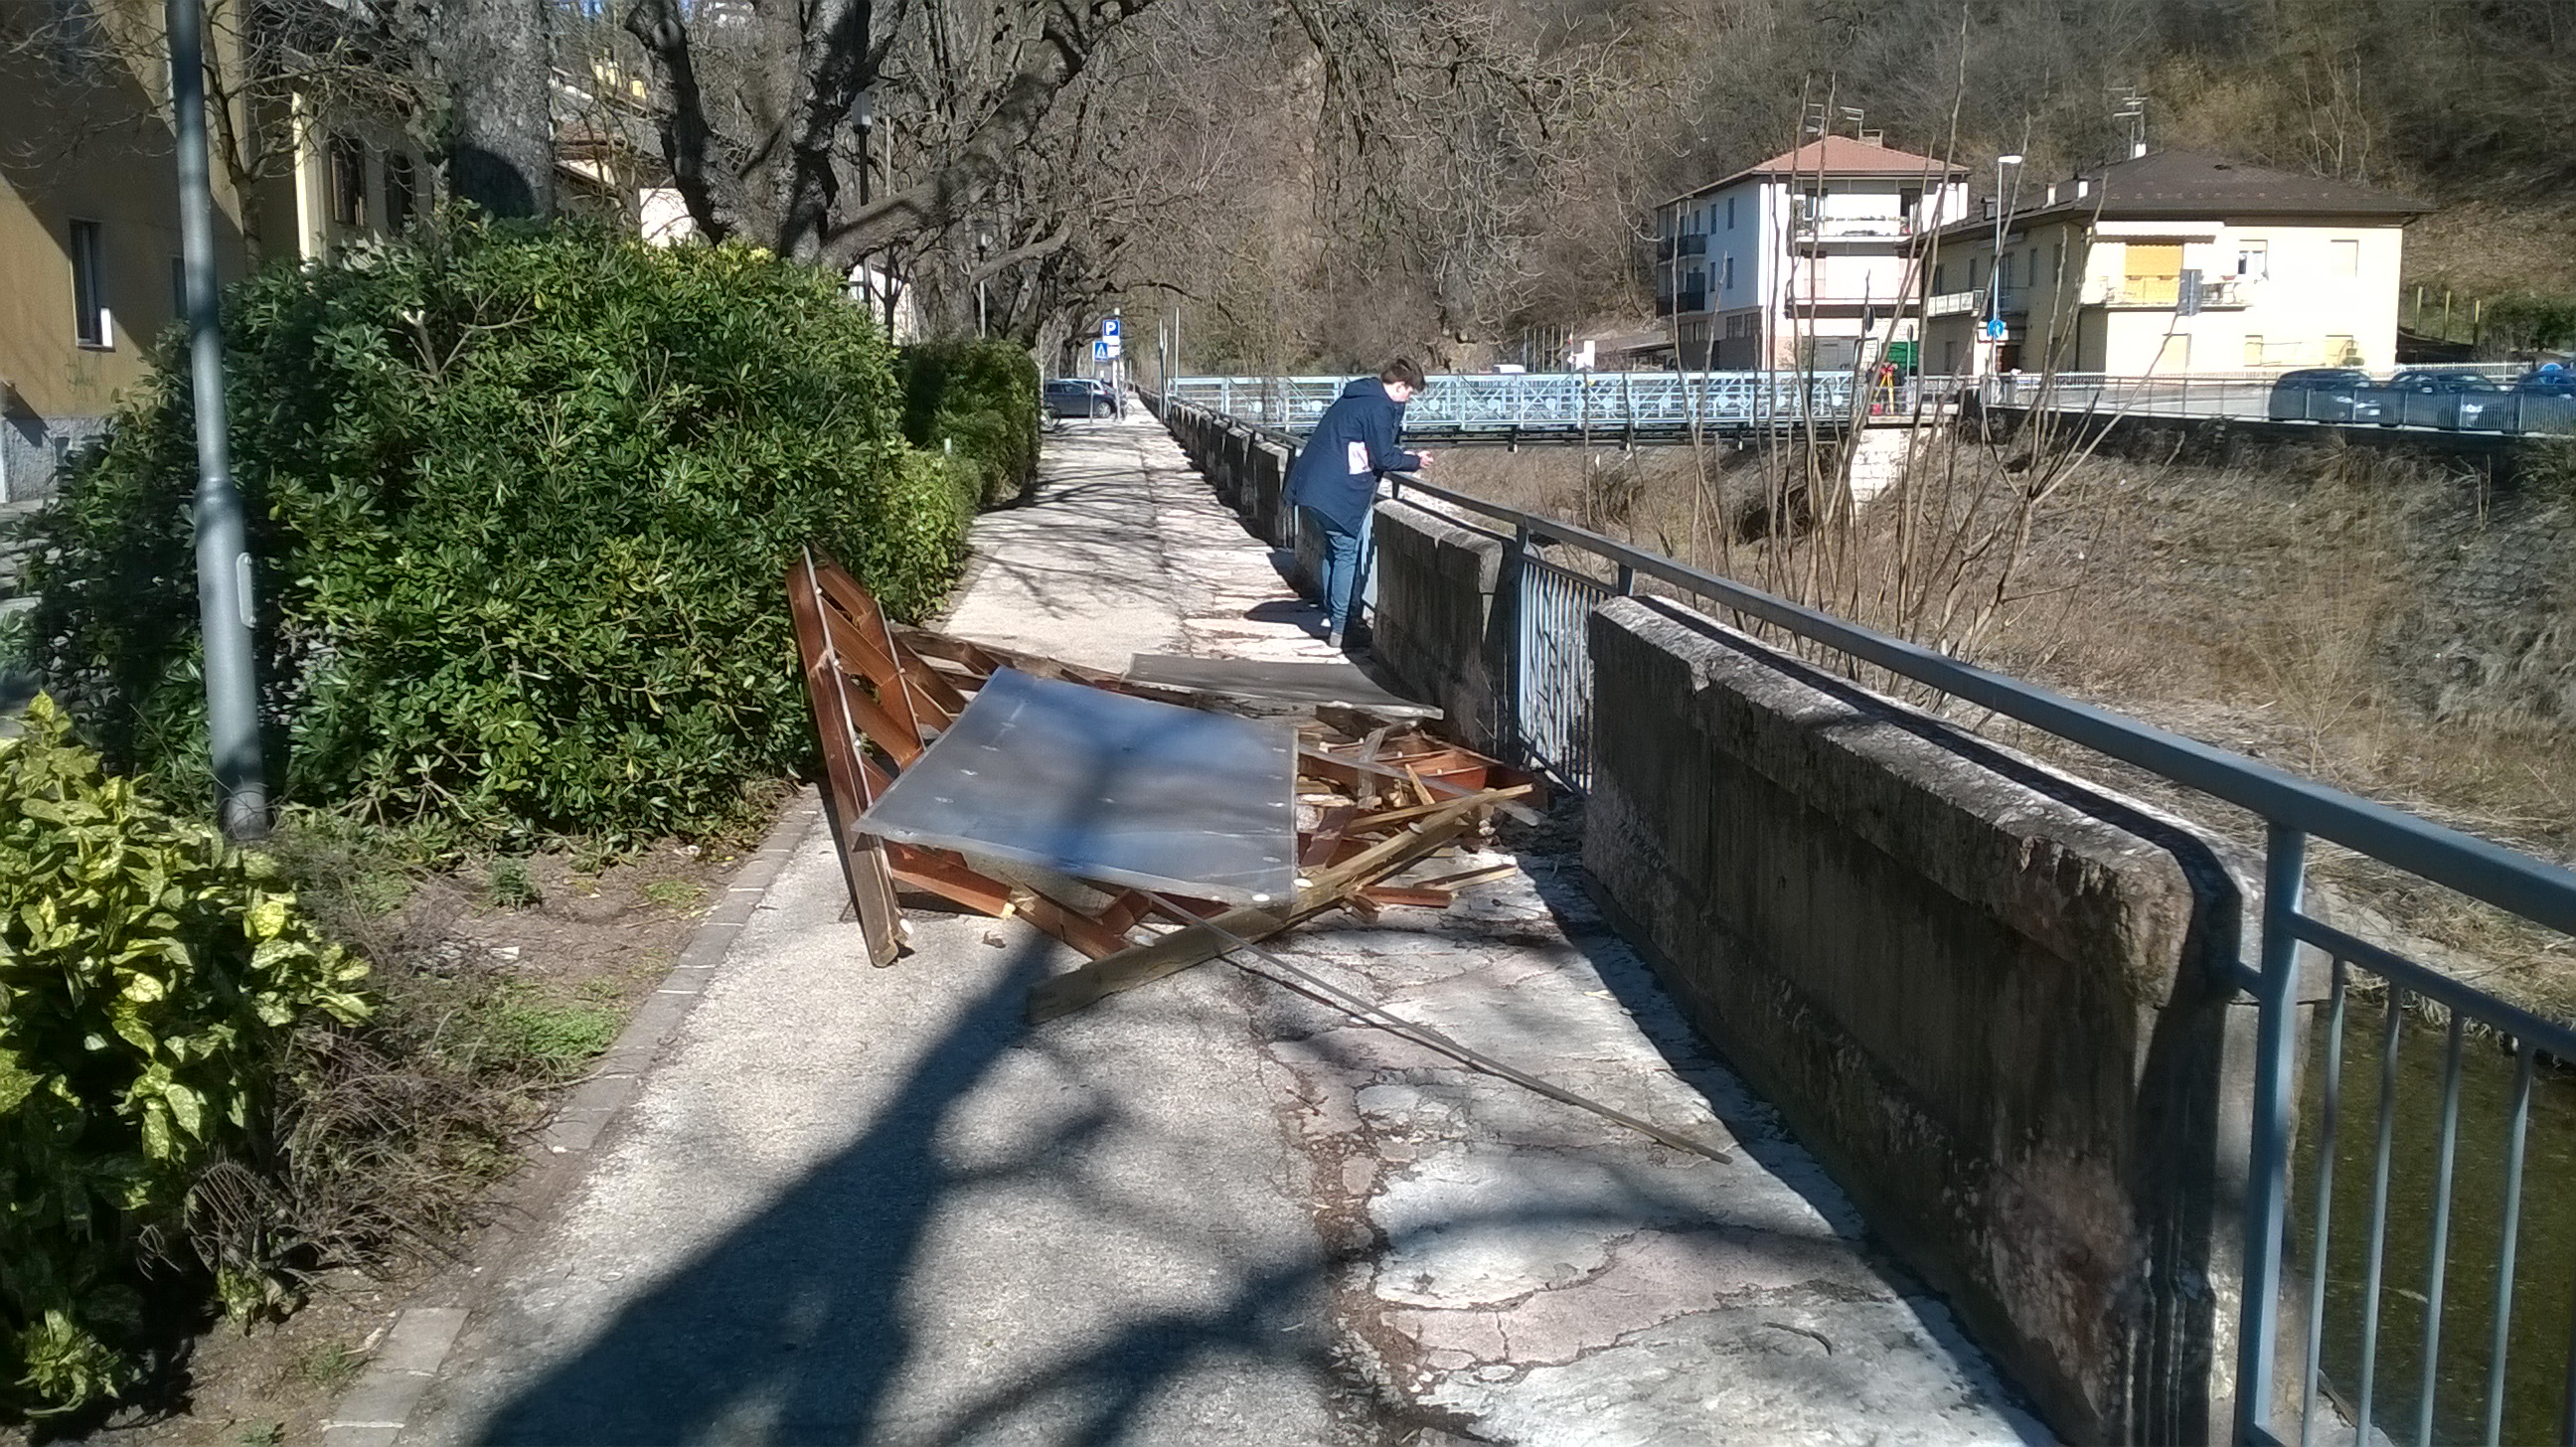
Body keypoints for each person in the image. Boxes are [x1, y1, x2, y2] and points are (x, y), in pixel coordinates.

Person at [1286, 359, 1435, 649]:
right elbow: (1383, 457)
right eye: (1409, 392)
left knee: (1333, 552)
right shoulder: (1379, 407)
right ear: (1400, 386)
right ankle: (1341, 628)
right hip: (1337, 491)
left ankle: (1335, 618)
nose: (1409, 398)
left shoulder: (1359, 396)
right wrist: (1415, 461)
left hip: (1313, 487)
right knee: (1344, 553)